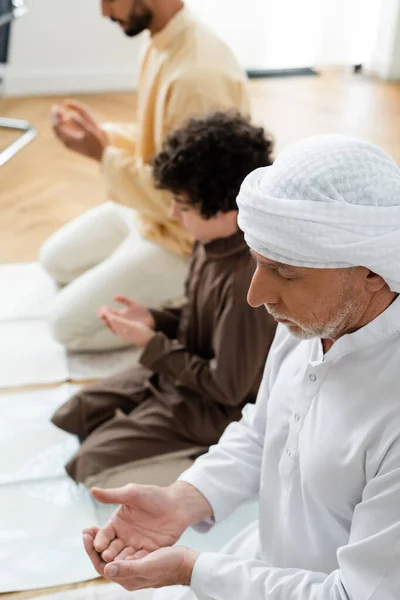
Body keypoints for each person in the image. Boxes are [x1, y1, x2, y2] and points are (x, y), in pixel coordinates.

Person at [82, 134, 400, 599]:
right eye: (257, 262)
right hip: (260, 564)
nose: (256, 295)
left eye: (286, 271)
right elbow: (264, 429)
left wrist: (194, 571)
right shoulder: (309, 322)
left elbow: (355, 594)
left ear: (372, 271)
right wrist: (183, 499)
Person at [52, 111, 276, 487]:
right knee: (77, 412)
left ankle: (218, 464)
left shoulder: (245, 281)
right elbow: (197, 316)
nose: (172, 213)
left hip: (219, 408)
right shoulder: (210, 241)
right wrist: (155, 320)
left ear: (229, 208)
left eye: (183, 206)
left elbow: (227, 389)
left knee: (93, 466)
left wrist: (152, 345)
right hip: (183, 374)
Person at [38, 0, 250, 352]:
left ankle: (191, 311)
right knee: (54, 260)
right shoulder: (160, 41)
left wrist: (102, 155)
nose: (105, 13)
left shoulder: (197, 77)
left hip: (185, 237)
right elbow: (163, 144)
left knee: (66, 327)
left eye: (110, 0)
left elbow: (185, 200)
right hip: (149, 212)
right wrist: (101, 137)